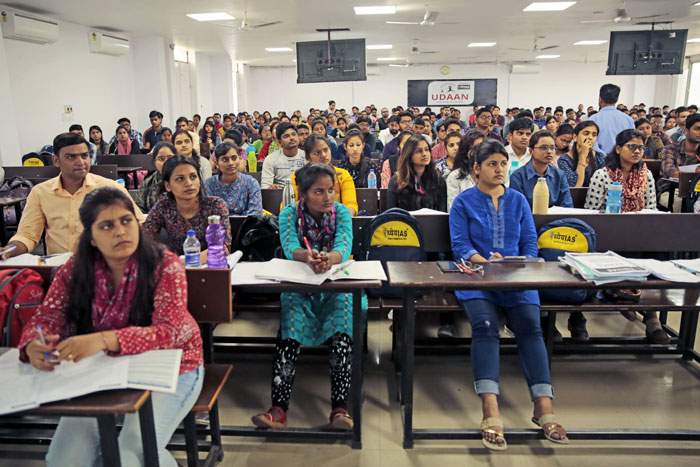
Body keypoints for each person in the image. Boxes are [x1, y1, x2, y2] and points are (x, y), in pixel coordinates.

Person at [18, 187, 203, 467]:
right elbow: (47, 317)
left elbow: (169, 331)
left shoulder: (163, 264)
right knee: (64, 459)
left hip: (175, 365)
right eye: (107, 225)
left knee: (133, 455)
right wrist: (33, 343)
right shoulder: (75, 269)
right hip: (100, 368)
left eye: (126, 221)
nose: (120, 231)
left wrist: (104, 339)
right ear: (91, 238)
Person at [449, 140, 568, 450]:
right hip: (477, 278)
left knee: (531, 326)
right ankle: (490, 408)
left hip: (517, 277)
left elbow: (530, 243)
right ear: (476, 169)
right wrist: (486, 263)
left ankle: (543, 406)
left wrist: (520, 264)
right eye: (492, 164)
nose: (499, 169)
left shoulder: (518, 200)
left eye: (503, 163)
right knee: (485, 327)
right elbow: (461, 247)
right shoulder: (463, 202)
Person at [251, 164, 364, 430]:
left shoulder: (342, 214)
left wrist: (329, 258)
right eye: (319, 191)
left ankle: (340, 409)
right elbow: (290, 246)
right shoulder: (289, 213)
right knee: (290, 324)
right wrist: (308, 256)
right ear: (303, 193)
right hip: (300, 282)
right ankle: (278, 409)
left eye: (331, 190)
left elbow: (344, 246)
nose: (327, 197)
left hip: (336, 282)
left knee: (343, 321)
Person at [4, 133, 145, 257]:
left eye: (84, 156)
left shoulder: (110, 188)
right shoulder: (41, 193)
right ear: (56, 160)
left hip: (103, 267)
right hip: (60, 268)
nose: (80, 162)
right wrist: (9, 251)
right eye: (71, 157)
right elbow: (27, 235)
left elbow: (139, 224)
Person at [144, 156, 231, 258]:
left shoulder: (215, 205)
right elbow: (145, 240)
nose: (189, 183)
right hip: (177, 269)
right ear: (168, 186)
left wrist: (187, 261)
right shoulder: (164, 206)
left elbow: (224, 247)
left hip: (212, 267)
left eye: (193, 177)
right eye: (180, 179)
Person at [584, 129, 656, 212]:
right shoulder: (602, 175)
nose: (637, 151)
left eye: (641, 148)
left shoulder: (646, 175)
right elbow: (591, 211)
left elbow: (651, 210)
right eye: (631, 146)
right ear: (618, 149)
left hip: (639, 222)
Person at [286, 134, 358, 215]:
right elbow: (287, 208)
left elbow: (350, 205)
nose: (323, 155)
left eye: (326, 150)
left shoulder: (342, 175)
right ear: (308, 157)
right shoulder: (297, 177)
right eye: (317, 153)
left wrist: (342, 220)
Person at [510, 130, 573, 208]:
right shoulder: (518, 177)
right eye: (544, 148)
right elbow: (518, 209)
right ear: (531, 150)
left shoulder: (559, 175)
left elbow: (567, 206)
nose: (549, 151)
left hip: (557, 219)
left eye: (552, 148)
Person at [387, 134, 447, 211]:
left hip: (432, 222)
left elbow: (442, 213)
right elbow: (391, 214)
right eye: (419, 151)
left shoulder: (438, 180)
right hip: (404, 222)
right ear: (409, 155)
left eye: (427, 150)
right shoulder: (397, 180)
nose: (424, 154)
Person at [204, 142, 262, 216]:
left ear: (239, 159)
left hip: (246, 226)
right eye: (225, 159)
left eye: (234, 158)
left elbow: (256, 213)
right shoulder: (209, 184)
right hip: (217, 226)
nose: (231, 163)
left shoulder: (251, 183)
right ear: (217, 163)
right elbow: (207, 212)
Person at [557, 121, 606, 188]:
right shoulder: (564, 160)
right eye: (586, 134)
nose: (590, 137)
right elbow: (574, 187)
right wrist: (583, 156)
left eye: (594, 135)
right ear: (575, 137)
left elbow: (603, 184)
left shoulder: (600, 157)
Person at [589, 84, 635, 154]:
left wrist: (603, 156)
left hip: (599, 161)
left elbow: (590, 144)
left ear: (600, 99)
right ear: (616, 100)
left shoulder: (592, 119)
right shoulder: (628, 119)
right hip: (621, 160)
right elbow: (632, 143)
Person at [261, 122, 307, 189]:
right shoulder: (271, 159)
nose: (291, 138)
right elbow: (265, 187)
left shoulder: (307, 156)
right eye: (286, 136)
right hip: (280, 196)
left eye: (294, 134)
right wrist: (271, 188)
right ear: (279, 142)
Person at [133, 141, 176, 212]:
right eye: (161, 159)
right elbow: (139, 207)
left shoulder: (183, 180)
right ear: (154, 162)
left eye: (170, 158)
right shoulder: (148, 182)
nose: (166, 162)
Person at [446, 130, 482, 210]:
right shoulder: (455, 177)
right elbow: (453, 210)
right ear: (466, 151)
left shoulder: (490, 174)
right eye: (475, 148)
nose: (480, 152)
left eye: (483, 147)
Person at [660, 113, 700, 179]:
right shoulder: (670, 149)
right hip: (671, 187)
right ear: (686, 131)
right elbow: (669, 172)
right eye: (697, 129)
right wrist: (695, 173)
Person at [503, 117, 533, 186]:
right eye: (520, 133)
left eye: (528, 134)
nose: (524, 137)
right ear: (510, 136)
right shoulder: (502, 154)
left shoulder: (534, 154)